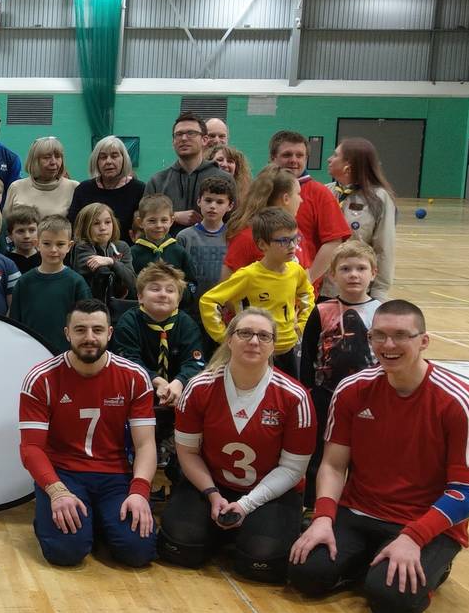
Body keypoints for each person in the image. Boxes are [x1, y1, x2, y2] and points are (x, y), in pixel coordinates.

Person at [288, 302, 469, 613]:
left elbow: (466, 493)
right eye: (379, 336)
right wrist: (323, 518)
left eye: (400, 336)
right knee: (305, 572)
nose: (388, 346)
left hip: (424, 524)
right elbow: (333, 466)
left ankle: (428, 565)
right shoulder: (352, 389)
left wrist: (414, 537)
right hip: (358, 512)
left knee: (390, 601)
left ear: (423, 341)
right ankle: (371, 563)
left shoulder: (458, 400)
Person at [161, 307, 315, 582]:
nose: (254, 341)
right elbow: (187, 452)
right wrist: (211, 494)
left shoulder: (295, 397)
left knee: (261, 560)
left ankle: (240, 530)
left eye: (263, 336)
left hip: (270, 492)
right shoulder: (199, 387)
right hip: (212, 486)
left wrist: (246, 505)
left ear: (273, 346)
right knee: (181, 547)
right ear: (229, 339)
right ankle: (221, 527)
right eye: (245, 333)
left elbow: (293, 469)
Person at [19, 300, 159, 568]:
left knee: (138, 552)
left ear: (110, 332)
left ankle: (100, 524)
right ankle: (57, 519)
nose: (89, 338)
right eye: (80, 330)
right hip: (63, 474)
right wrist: (57, 492)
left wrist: (140, 491)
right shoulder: (41, 378)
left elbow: (145, 445)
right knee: (65, 553)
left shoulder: (134, 377)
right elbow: (31, 448)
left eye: (97, 330)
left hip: (115, 475)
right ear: (67, 333)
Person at [299, 241, 381, 484]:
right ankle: (313, 505)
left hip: (369, 395)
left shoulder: (382, 311)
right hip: (326, 395)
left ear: (373, 273)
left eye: (361, 268)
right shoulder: (321, 310)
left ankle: (356, 500)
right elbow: (307, 354)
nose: (353, 274)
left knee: (364, 451)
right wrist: (308, 392)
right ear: (332, 275)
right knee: (321, 452)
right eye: (345, 269)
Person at [200, 208, 314, 375]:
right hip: (255, 352)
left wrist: (302, 325)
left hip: (287, 349)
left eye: (295, 239)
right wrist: (225, 337)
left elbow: (307, 295)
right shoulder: (248, 275)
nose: (292, 246)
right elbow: (208, 301)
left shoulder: (296, 271)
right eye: (283, 241)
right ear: (262, 245)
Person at [235, 130, 352, 286]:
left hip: (298, 291)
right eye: (287, 155)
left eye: (300, 155)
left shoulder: (320, 193)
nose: (294, 160)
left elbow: (333, 242)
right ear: (272, 158)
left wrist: (307, 279)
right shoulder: (258, 190)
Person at [110, 263, 206, 412]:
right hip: (136, 394)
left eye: (170, 290)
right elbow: (128, 362)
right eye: (155, 289)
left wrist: (179, 382)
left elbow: (195, 362)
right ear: (140, 296)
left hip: (181, 396)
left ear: (178, 300)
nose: (163, 294)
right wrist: (157, 381)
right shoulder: (128, 322)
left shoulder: (187, 324)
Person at [8, 215, 89, 355]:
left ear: (69, 246)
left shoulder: (76, 282)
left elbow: (86, 321)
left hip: (66, 355)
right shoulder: (24, 282)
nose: (53, 249)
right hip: (29, 353)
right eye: (47, 243)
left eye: (60, 244)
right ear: (37, 244)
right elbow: (15, 323)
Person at [327, 137, 396, 299]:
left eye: (335, 155)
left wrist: (380, 292)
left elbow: (384, 248)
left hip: (357, 288)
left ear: (348, 165)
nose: (329, 159)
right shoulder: (326, 192)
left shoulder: (379, 198)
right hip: (324, 287)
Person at [146, 112, 230, 232]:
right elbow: (143, 218)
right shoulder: (158, 181)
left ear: (204, 140)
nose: (184, 138)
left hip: (212, 249)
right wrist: (174, 216)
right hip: (166, 249)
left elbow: (235, 221)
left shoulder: (224, 179)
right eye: (179, 134)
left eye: (191, 133)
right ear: (173, 141)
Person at [221, 166, 307, 275]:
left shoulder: (295, 234)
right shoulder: (247, 238)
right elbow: (226, 286)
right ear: (286, 198)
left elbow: (306, 281)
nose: (301, 200)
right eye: (298, 194)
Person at [176, 176, 236, 323]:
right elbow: (177, 276)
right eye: (208, 200)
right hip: (191, 313)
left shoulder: (234, 237)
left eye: (220, 202)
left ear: (230, 206)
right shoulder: (184, 237)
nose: (213, 206)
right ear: (199, 201)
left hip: (224, 312)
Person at [67, 135, 145, 236]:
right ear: (96, 161)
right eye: (103, 157)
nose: (108, 161)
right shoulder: (83, 189)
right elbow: (73, 227)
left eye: (114, 156)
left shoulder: (139, 189)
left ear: (124, 159)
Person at [70, 202, 135, 305]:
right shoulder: (82, 247)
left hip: (117, 308)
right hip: (88, 307)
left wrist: (111, 261)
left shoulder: (122, 247)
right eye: (96, 223)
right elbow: (102, 273)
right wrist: (120, 270)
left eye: (108, 222)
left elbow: (132, 281)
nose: (103, 227)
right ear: (85, 226)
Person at [5, 136, 76, 218]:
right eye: (46, 157)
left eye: (57, 156)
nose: (53, 162)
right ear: (34, 161)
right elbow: (5, 225)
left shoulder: (73, 187)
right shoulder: (16, 187)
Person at [130, 194, 191, 277]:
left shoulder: (179, 252)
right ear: (140, 222)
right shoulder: (132, 254)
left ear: (171, 221)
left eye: (164, 220)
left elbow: (190, 281)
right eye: (152, 220)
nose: (158, 225)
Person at [3, 206, 41, 274]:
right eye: (20, 231)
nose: (27, 236)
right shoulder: (4, 261)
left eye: (32, 230)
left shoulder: (46, 259)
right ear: (10, 235)